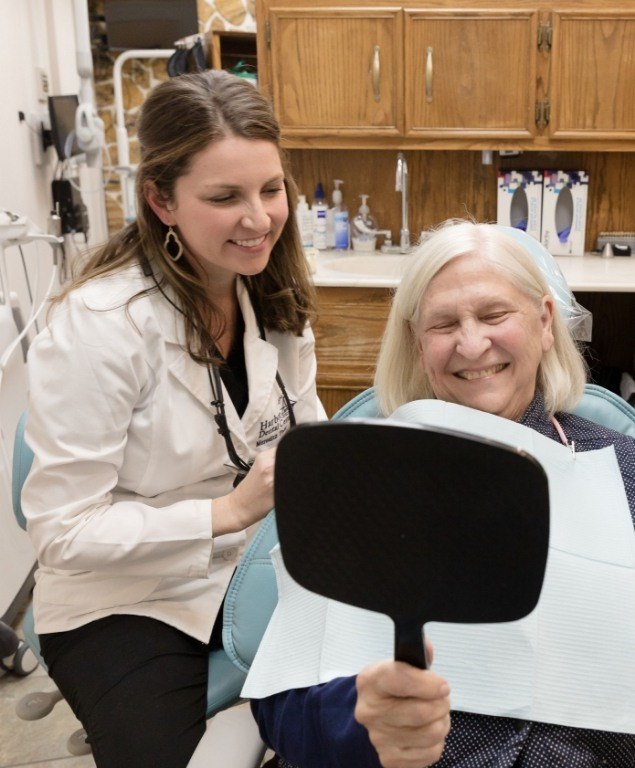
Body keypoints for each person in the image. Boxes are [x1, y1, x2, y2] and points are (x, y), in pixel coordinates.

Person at [246, 220, 635, 767]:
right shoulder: (357, 479)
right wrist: (359, 718)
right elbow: (280, 705)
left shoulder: (623, 471)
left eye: (495, 315)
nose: (472, 344)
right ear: (417, 343)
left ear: (545, 322)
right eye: (444, 323)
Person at [22, 70, 324, 767]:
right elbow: (62, 534)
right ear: (161, 200)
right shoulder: (98, 325)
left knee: (361, 716)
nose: (260, 219)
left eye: (270, 189)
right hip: (124, 599)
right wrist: (226, 513)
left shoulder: (268, 296)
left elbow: (307, 432)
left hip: (250, 569)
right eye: (225, 197)